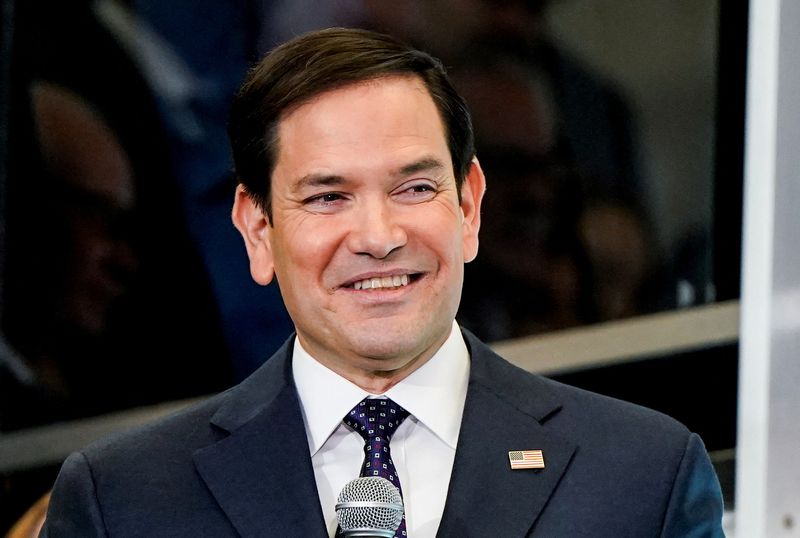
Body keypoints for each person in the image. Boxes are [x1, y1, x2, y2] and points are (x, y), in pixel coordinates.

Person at [39, 28, 724, 537]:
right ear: (257, 229)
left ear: (469, 206)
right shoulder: (123, 501)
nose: (378, 236)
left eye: (414, 186)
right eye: (328, 197)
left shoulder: (643, 476)